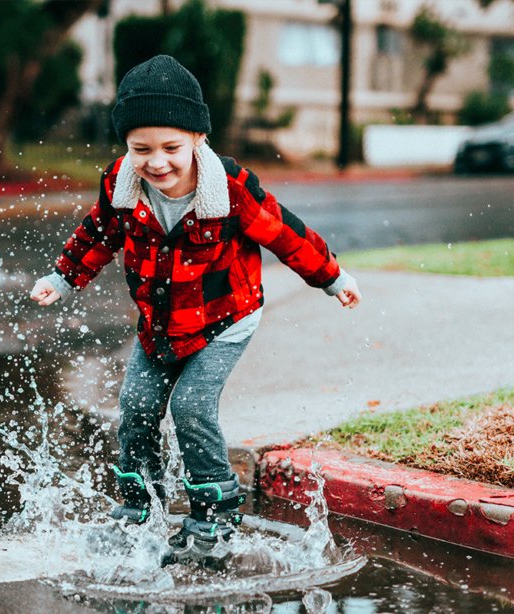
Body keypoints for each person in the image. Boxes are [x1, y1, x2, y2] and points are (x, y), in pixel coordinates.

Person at [30, 55, 361, 551]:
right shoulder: (121, 184)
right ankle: (139, 505)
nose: (157, 161)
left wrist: (332, 278)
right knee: (137, 406)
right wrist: (64, 276)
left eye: (171, 147)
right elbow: (98, 232)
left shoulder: (229, 188)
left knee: (190, 405)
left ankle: (214, 511)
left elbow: (285, 233)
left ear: (198, 140)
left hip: (226, 320)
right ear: (126, 145)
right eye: (142, 148)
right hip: (159, 325)